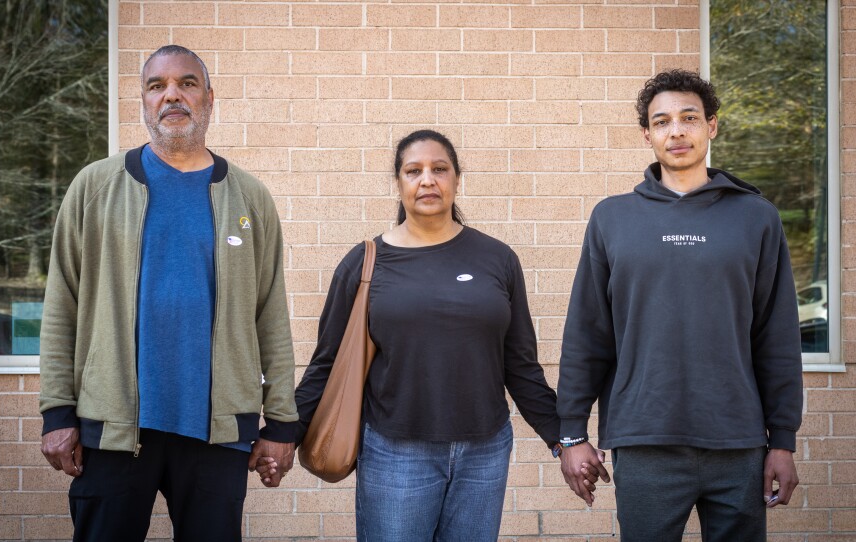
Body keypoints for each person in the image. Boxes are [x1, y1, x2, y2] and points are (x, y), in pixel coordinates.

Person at [38, 45, 298, 542]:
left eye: (186, 83)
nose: (172, 95)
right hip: (110, 428)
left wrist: (281, 421)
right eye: (157, 86)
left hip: (218, 432)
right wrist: (57, 411)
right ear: (143, 101)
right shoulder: (93, 188)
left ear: (209, 98)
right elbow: (61, 308)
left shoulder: (249, 197)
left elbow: (271, 316)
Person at [276, 129, 562, 540]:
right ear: (398, 183)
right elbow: (328, 363)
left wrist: (562, 438)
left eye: (439, 169)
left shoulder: (497, 259)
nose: (427, 179)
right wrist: (285, 435)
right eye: (414, 170)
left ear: (457, 180)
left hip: (485, 453)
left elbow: (520, 365)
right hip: (395, 452)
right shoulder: (364, 263)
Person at [556, 69, 803, 541]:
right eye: (662, 121)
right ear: (647, 134)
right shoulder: (612, 218)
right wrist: (572, 433)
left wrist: (783, 440)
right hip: (644, 437)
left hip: (738, 441)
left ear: (712, 125)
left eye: (689, 118)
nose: (677, 131)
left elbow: (777, 336)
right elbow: (588, 331)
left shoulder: (756, 218)